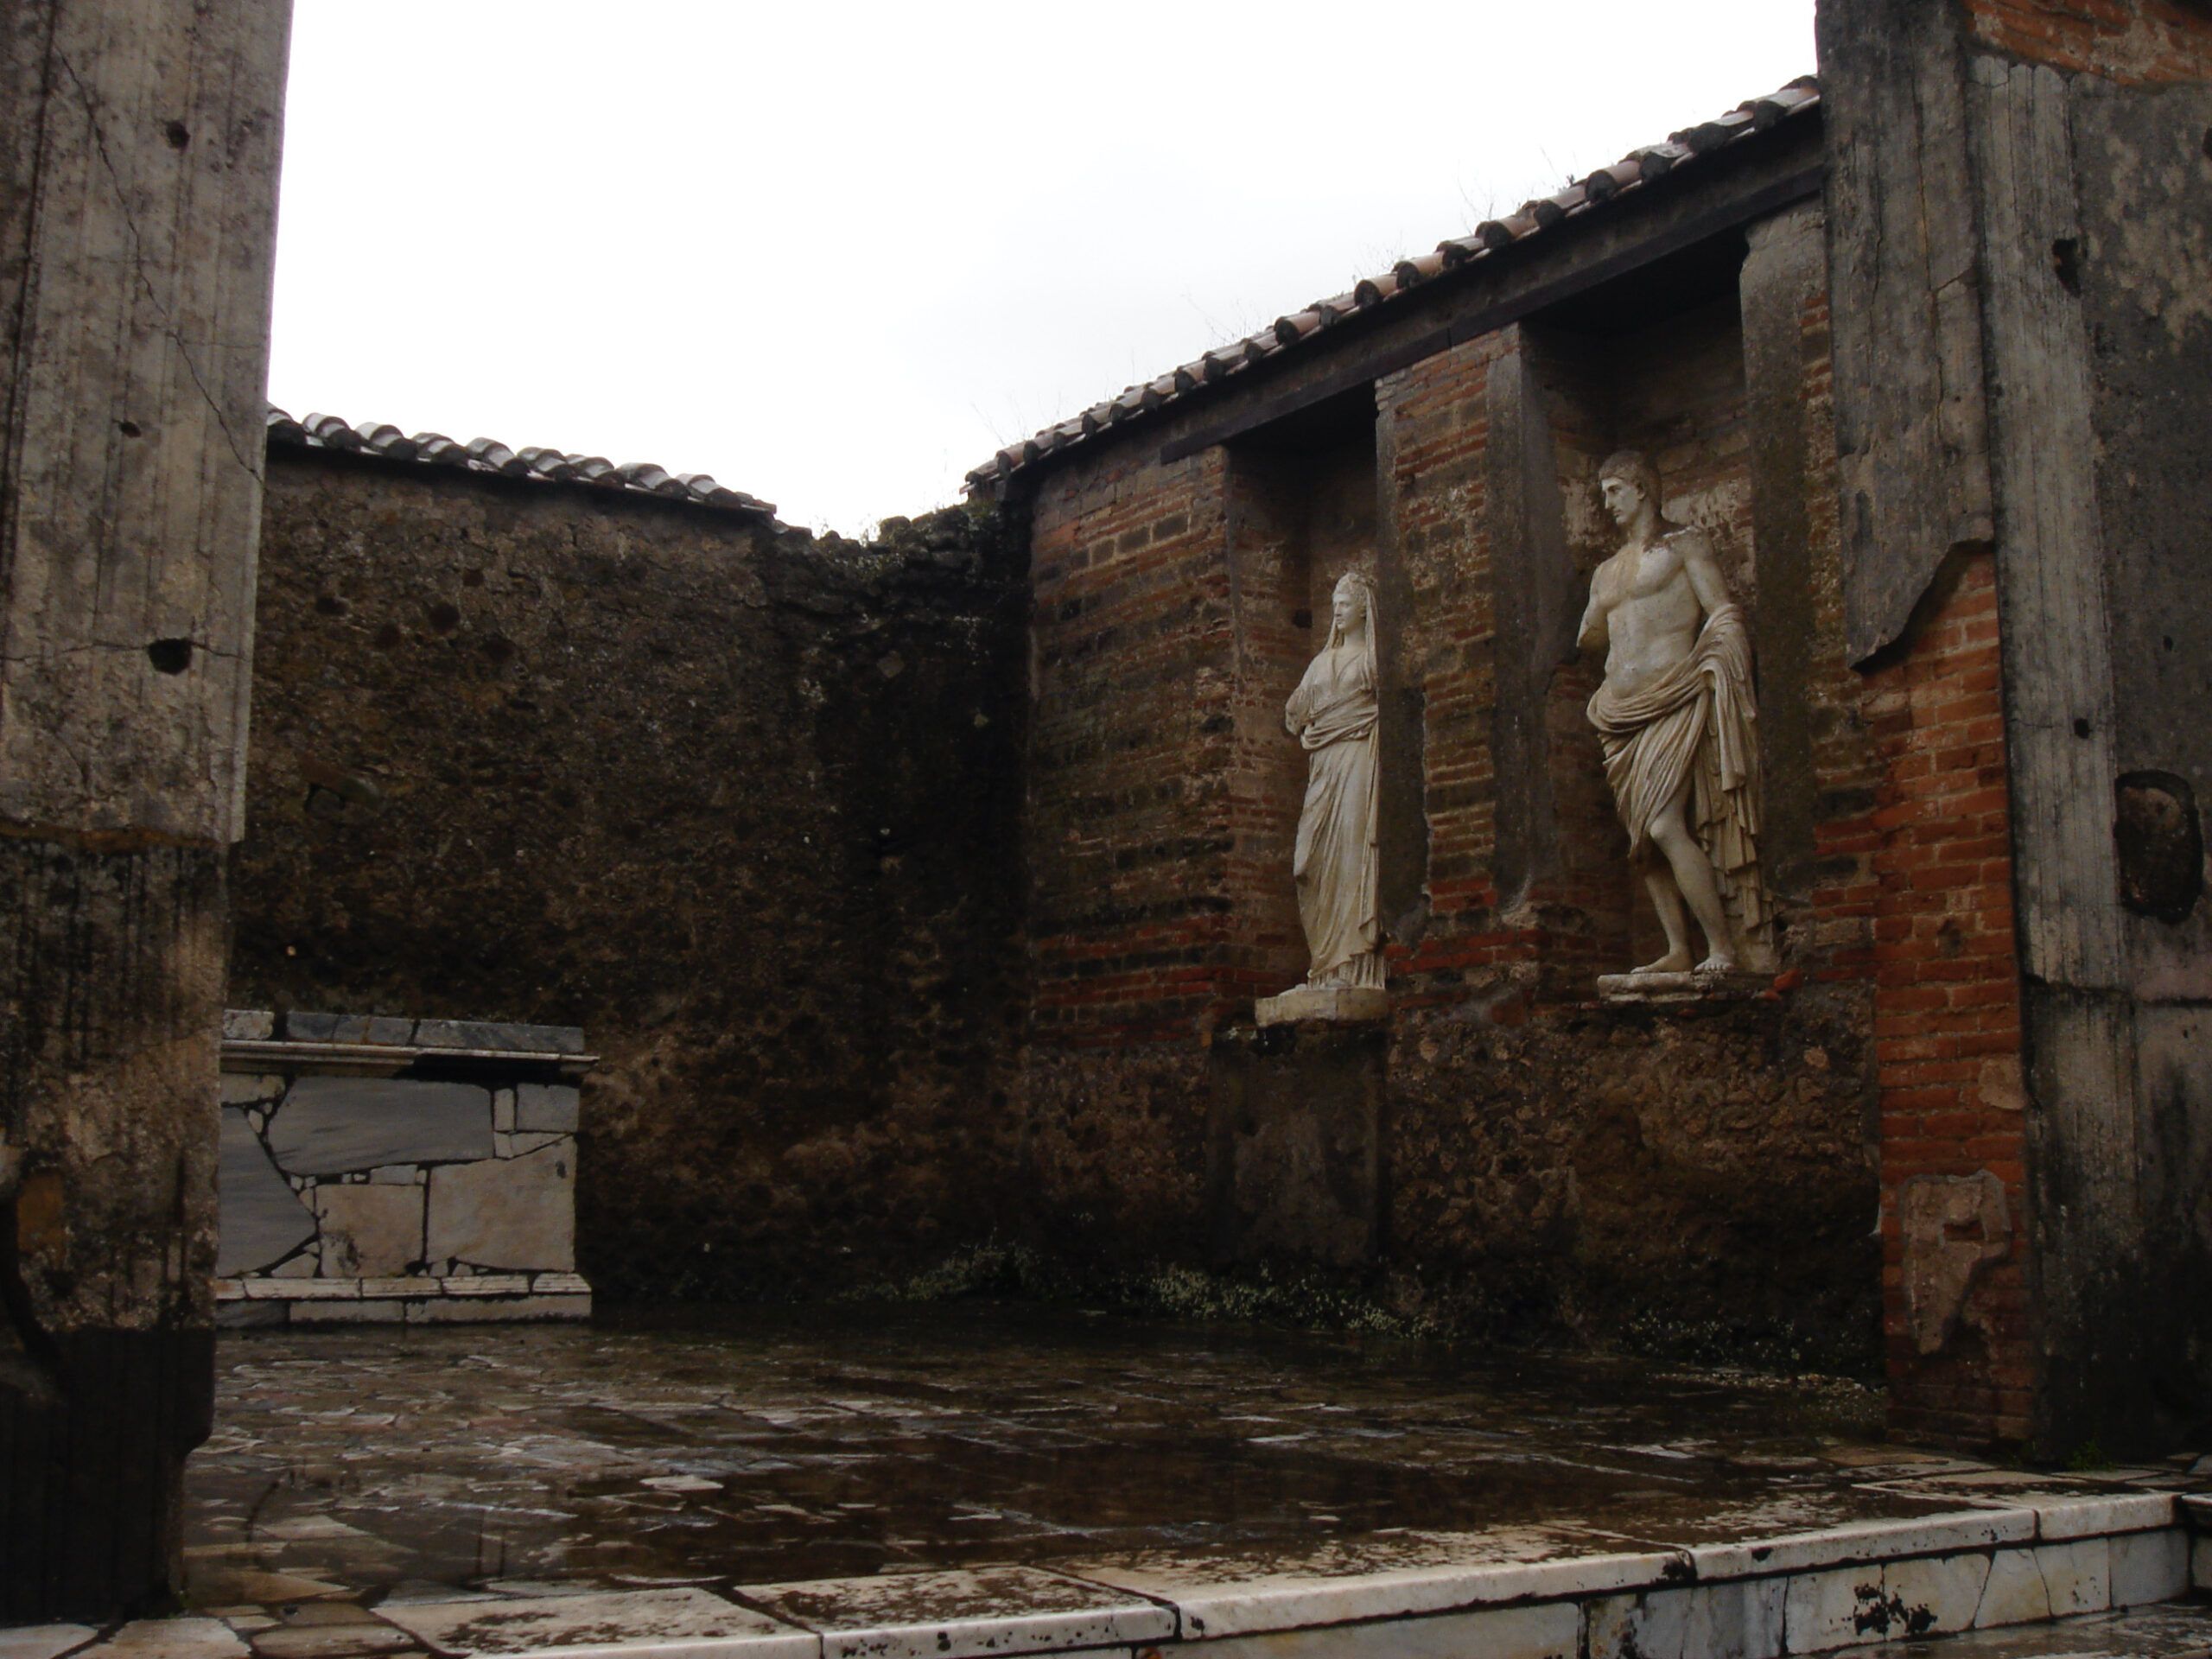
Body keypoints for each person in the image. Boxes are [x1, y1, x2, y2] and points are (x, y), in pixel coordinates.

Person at [1578, 450, 1771, 975]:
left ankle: (1723, 948)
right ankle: (1678, 948)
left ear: (1643, 489)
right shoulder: (1607, 571)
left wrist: (1718, 661)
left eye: (1615, 491)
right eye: (1603, 494)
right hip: (1619, 713)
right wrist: (1598, 611)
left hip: (1675, 695)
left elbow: (1722, 610)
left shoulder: (1684, 545)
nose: (1608, 503)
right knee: (1642, 841)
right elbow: (1590, 637)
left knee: (1664, 826)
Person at [1284, 571, 1385, 991]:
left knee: (1351, 852)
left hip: (1359, 756)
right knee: (1308, 862)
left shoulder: (1372, 662)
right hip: (1324, 765)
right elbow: (1294, 716)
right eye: (1334, 604)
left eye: (1344, 603)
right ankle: (1323, 965)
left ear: (1363, 607)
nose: (1338, 611)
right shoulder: (1320, 663)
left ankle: (1355, 967)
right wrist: (1304, 713)